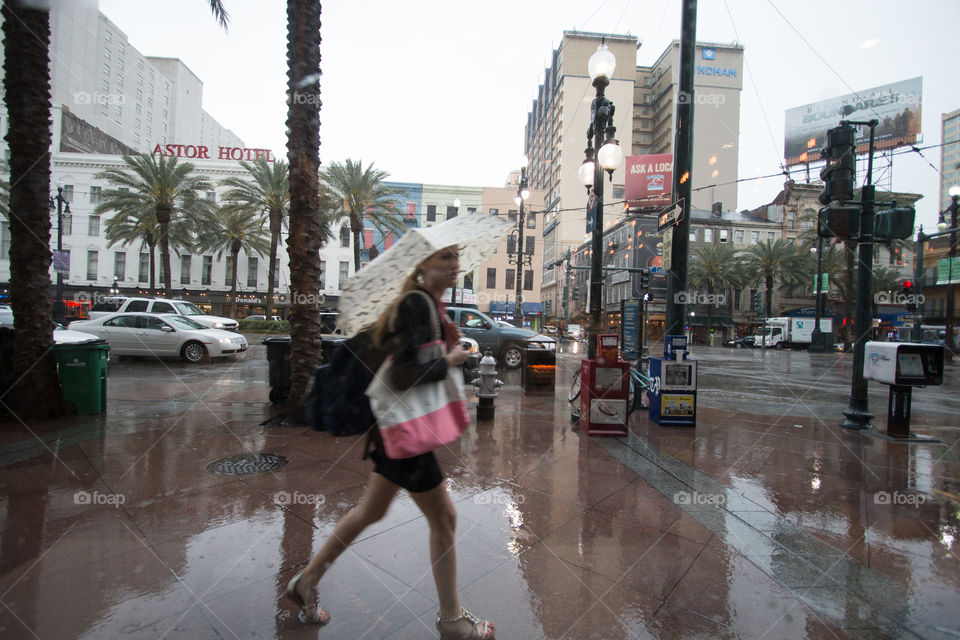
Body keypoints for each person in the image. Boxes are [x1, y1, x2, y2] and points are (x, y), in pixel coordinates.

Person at [284, 245, 496, 640]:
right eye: (444, 258)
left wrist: (445, 348)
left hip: (395, 430)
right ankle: (452, 622)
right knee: (445, 519)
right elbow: (402, 376)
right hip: (405, 433)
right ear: (422, 265)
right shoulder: (417, 304)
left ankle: (307, 581)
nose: (455, 265)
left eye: (455, 257)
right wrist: (448, 361)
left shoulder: (426, 305)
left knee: (370, 511)